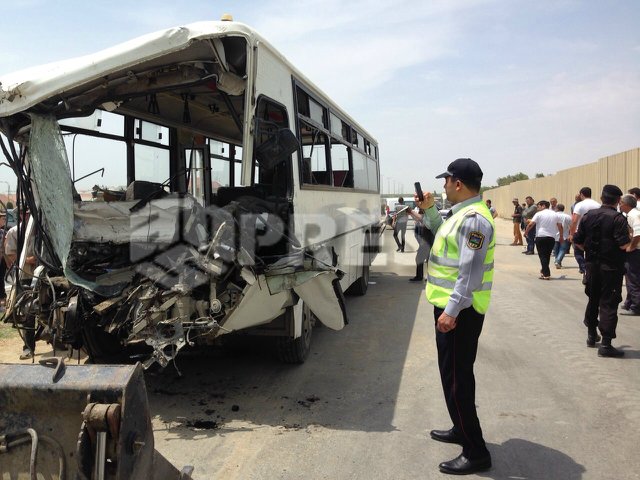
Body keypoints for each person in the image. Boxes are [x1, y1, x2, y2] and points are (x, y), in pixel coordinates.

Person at [415, 157, 494, 475]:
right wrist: (429, 209)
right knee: (451, 374)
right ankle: (460, 428)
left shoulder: (475, 220)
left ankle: (476, 452)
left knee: (459, 380)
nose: (444, 186)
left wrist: (451, 311)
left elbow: (470, 272)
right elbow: (440, 233)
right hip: (452, 307)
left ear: (458, 183)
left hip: (459, 311)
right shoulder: (459, 214)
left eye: (446, 181)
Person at [573, 185, 630, 357]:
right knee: (608, 303)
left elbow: (578, 241)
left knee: (593, 299)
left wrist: (589, 251)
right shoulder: (618, 219)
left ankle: (591, 335)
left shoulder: (589, 216)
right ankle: (606, 344)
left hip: (592, 266)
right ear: (618, 201)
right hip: (611, 268)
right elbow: (623, 244)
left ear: (602, 197)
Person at [4, 209, 38, 360]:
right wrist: (29, 260)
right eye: (26, 213)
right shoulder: (14, 232)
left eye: (31, 213)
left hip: (43, 274)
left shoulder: (42, 231)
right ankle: (28, 347)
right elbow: (10, 255)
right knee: (28, 310)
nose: (29, 216)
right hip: (25, 275)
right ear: (21, 215)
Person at [525, 200, 562, 279]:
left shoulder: (538, 214)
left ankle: (546, 274)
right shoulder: (555, 214)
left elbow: (531, 224)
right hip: (551, 238)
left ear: (543, 206)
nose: (537, 207)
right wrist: (561, 236)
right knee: (547, 255)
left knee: (542, 256)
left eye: (539, 206)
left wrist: (526, 232)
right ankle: (543, 271)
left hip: (541, 237)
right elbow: (560, 226)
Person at [570, 187, 600, 278]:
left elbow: (574, 221)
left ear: (582, 194)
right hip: (594, 233)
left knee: (578, 252)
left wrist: (572, 234)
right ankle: (590, 271)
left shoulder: (579, 205)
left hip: (581, 232)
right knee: (591, 253)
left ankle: (584, 268)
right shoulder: (598, 205)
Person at [619, 194, 640, 315]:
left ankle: (636, 307)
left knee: (633, 278)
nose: (619, 205)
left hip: (636, 251)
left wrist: (631, 247)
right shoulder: (631, 214)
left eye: (621, 203)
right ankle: (630, 302)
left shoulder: (633, 215)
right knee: (631, 277)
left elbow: (638, 233)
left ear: (626, 204)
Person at [407, 207, 434, 281]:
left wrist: (412, 212)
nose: (419, 212)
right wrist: (411, 214)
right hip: (425, 242)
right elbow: (419, 219)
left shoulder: (429, 215)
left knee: (425, 260)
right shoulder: (426, 215)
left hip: (428, 241)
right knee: (421, 259)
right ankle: (421, 276)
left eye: (420, 210)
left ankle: (424, 277)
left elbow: (422, 220)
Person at [553, 204, 572, 268]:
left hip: (554, 235)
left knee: (556, 250)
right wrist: (570, 234)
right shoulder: (567, 216)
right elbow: (571, 226)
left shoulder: (554, 215)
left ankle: (557, 261)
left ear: (557, 208)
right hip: (564, 235)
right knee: (562, 249)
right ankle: (558, 262)